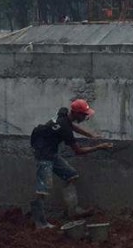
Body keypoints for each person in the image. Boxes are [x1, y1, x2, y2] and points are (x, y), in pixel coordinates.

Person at [29, 98, 113, 229]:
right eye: (84, 115)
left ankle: (73, 210)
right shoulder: (64, 128)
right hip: (43, 154)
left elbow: (71, 126)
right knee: (43, 189)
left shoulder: (63, 114)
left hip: (50, 151)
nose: (85, 117)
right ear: (77, 114)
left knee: (71, 175)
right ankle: (40, 222)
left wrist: (90, 135)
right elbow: (78, 151)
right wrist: (99, 146)